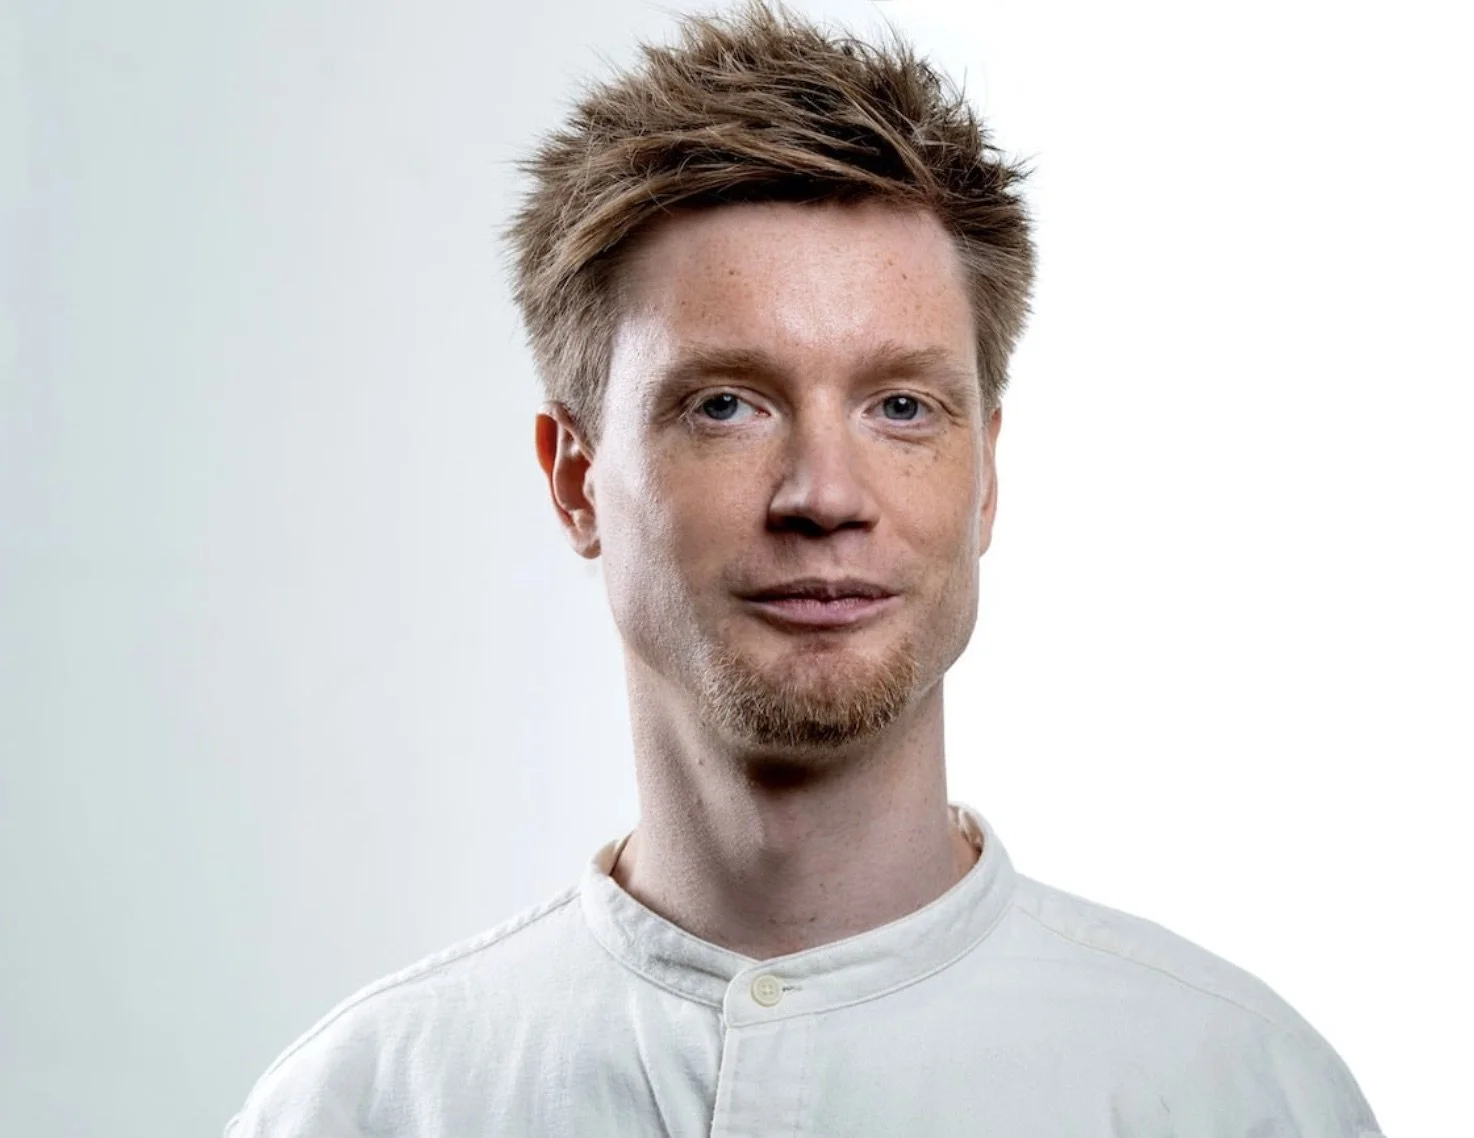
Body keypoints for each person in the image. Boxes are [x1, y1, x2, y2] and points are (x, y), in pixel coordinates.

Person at [226, 3, 1382, 1134]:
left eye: (901, 407)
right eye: (725, 405)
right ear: (576, 481)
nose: (824, 494)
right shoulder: (363, 1107)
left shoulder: (1238, 1094)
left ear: (984, 477)